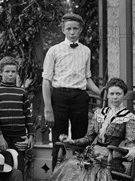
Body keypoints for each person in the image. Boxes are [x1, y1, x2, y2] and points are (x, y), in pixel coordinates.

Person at [37, 77, 135, 181]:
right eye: (112, 94)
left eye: (118, 94)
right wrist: (72, 142)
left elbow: (131, 141)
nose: (115, 97)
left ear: (123, 95)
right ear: (107, 95)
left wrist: (132, 149)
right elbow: (88, 138)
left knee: (92, 169)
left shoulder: (128, 117)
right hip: (91, 151)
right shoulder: (99, 113)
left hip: (110, 156)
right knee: (71, 165)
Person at [42, 12, 101, 170]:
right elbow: (46, 81)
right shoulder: (54, 51)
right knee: (59, 140)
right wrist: (48, 108)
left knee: (80, 139)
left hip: (80, 97)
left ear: (81, 29)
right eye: (69, 28)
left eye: (75, 28)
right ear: (63, 30)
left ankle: (79, 180)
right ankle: (55, 180)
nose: (72, 32)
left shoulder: (86, 51)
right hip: (59, 96)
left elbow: (87, 78)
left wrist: (101, 92)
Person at [0, 56, 35, 174]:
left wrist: (30, 136)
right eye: (7, 71)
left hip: (19, 137)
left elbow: (27, 116)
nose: (10, 74)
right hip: (3, 137)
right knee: (5, 168)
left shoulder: (22, 92)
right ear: (0, 72)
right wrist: (0, 137)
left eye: (13, 71)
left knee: (18, 168)